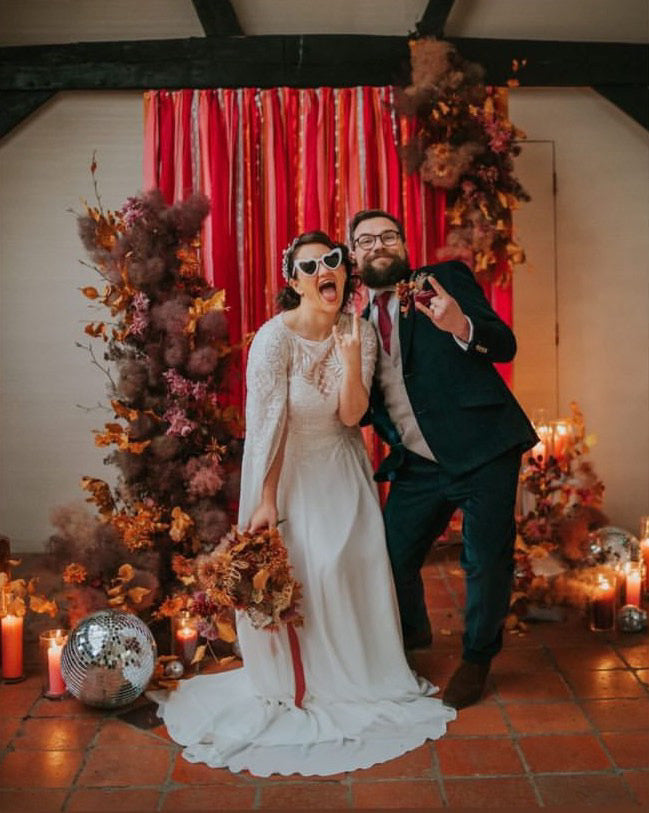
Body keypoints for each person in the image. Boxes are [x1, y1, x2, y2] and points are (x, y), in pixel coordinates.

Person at [153, 230, 455, 777]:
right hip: (285, 471)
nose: (325, 272)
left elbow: (351, 418)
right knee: (302, 574)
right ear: (294, 281)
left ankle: (359, 675)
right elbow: (268, 426)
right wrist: (266, 501)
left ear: (345, 272)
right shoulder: (274, 339)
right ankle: (296, 682)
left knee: (347, 565)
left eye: (334, 262)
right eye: (310, 266)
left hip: (340, 466)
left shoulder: (357, 331)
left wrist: (352, 358)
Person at [349, 209, 538, 710]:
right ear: (354, 256)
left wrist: (461, 324)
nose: (378, 245)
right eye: (366, 240)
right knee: (391, 556)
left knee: (485, 560)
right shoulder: (359, 324)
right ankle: (414, 635)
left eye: (389, 236)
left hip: (483, 449)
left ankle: (477, 657)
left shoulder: (443, 281)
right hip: (419, 463)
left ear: (405, 245)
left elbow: (505, 344)